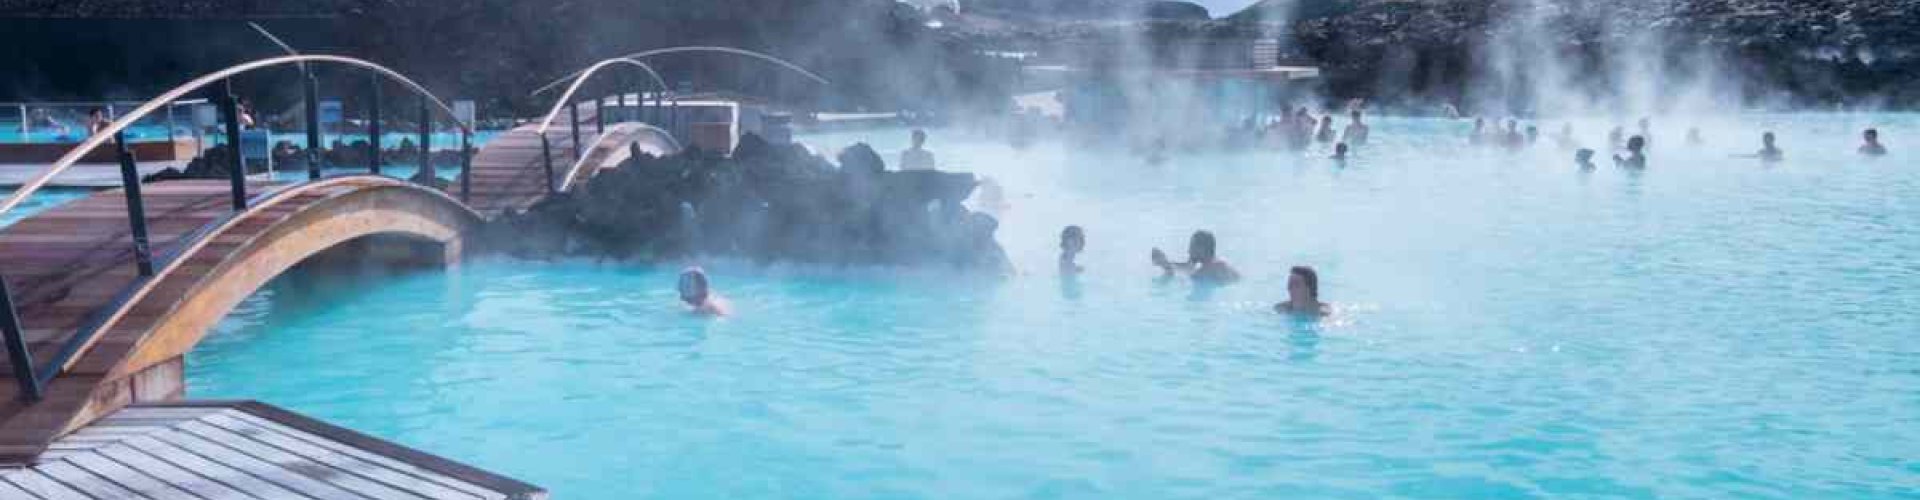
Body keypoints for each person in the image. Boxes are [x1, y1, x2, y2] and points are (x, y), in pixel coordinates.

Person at [1152, 230, 1241, 284]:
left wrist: (1168, 268)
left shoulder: (1215, 266)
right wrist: (1165, 262)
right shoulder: (1210, 263)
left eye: (1191, 247)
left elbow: (1192, 276)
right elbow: (1188, 266)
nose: (1188, 251)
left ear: (1201, 249)